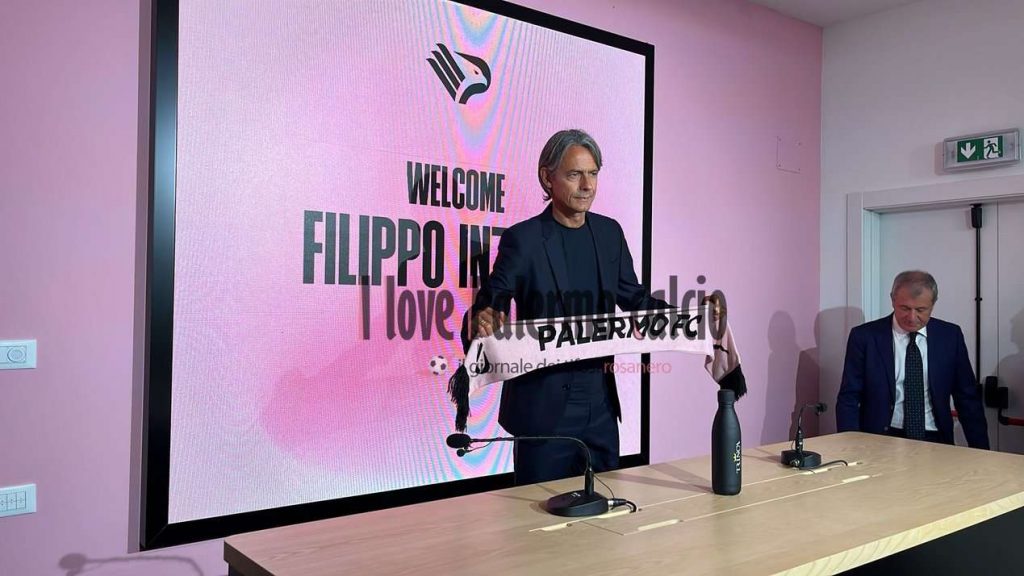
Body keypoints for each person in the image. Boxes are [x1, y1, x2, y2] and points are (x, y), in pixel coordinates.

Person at [466, 129, 668, 484]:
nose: (587, 185)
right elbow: (492, 300)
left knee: (606, 502)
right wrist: (484, 317)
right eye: (575, 174)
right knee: (536, 511)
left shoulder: (610, 234)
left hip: (600, 404)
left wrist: (687, 317)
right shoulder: (523, 239)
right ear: (548, 177)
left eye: (593, 174)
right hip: (542, 408)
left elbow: (635, 300)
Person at [836, 271, 989, 448]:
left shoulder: (950, 336)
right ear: (892, 300)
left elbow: (967, 398)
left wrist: (982, 450)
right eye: (905, 308)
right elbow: (849, 397)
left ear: (933, 304)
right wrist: (850, 447)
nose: (912, 317)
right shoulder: (865, 337)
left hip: (935, 438)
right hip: (881, 438)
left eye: (921, 310)